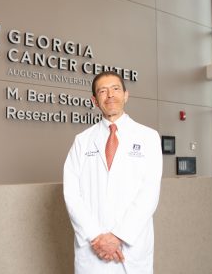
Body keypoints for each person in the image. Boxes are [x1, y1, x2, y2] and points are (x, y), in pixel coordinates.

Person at [63, 71, 163, 274]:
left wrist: (118, 237)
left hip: (131, 246)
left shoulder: (148, 137)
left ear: (126, 95)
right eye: (103, 91)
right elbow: (72, 194)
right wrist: (95, 237)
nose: (110, 95)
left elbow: (149, 193)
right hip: (93, 247)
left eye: (116, 89)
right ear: (94, 100)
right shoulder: (82, 141)